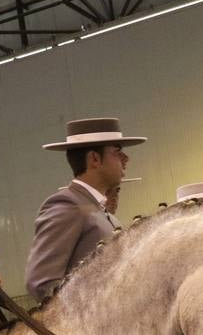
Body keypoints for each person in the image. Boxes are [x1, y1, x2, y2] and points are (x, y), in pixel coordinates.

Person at [26, 117, 145, 299]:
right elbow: (42, 284)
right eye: (117, 151)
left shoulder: (103, 213)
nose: (126, 159)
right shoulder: (68, 205)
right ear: (95, 159)